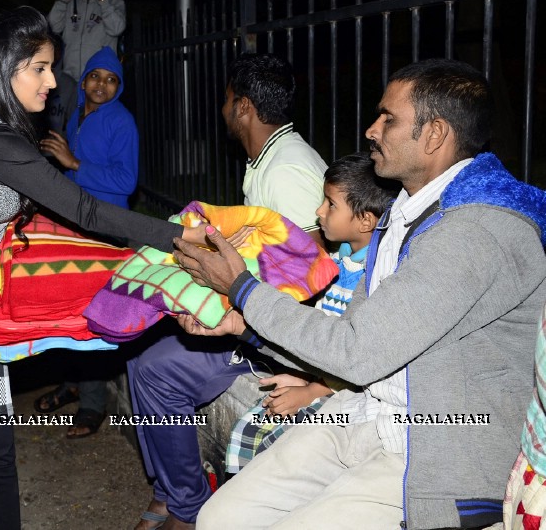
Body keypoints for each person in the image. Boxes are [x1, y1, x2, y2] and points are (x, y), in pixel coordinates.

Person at [0, 6, 213, 530]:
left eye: (51, 67)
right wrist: (179, 236)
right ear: (7, 68)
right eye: (40, 68)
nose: (54, 81)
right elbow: (85, 208)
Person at [175, 59, 546, 530]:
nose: (372, 130)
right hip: (365, 412)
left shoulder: (474, 231)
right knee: (220, 519)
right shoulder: (407, 212)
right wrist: (244, 326)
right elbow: (349, 335)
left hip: (434, 447)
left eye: (388, 118)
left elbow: (356, 352)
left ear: (434, 136)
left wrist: (241, 286)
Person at [129, 53, 326, 530]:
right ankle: (169, 490)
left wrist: (236, 322)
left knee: (156, 371)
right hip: (254, 317)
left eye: (225, 100)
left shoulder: (288, 170)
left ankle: (186, 505)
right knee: (140, 353)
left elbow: (311, 273)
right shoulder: (271, 158)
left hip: (274, 340)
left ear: (243, 107)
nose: (221, 111)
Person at [225, 152, 398, 475]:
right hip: (322, 378)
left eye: (330, 204)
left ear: (365, 220)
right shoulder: (337, 261)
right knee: (246, 434)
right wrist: (304, 377)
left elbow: (359, 358)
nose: (318, 211)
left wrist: (310, 390)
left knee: (277, 452)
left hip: (350, 397)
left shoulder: (376, 278)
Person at [36, 44, 137, 438]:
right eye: (96, 76)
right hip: (77, 222)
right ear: (83, 81)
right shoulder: (79, 114)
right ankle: (74, 383)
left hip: (106, 228)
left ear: (119, 87)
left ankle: (93, 407)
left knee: (94, 316)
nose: (102, 85)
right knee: (71, 309)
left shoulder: (121, 122)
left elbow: (127, 181)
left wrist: (74, 163)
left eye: (111, 80)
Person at [46, 0, 126, 131]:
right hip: (71, 79)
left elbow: (117, 28)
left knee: (95, 125)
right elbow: (52, 26)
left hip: (98, 80)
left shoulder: (114, 2)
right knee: (69, 125)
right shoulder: (69, 3)